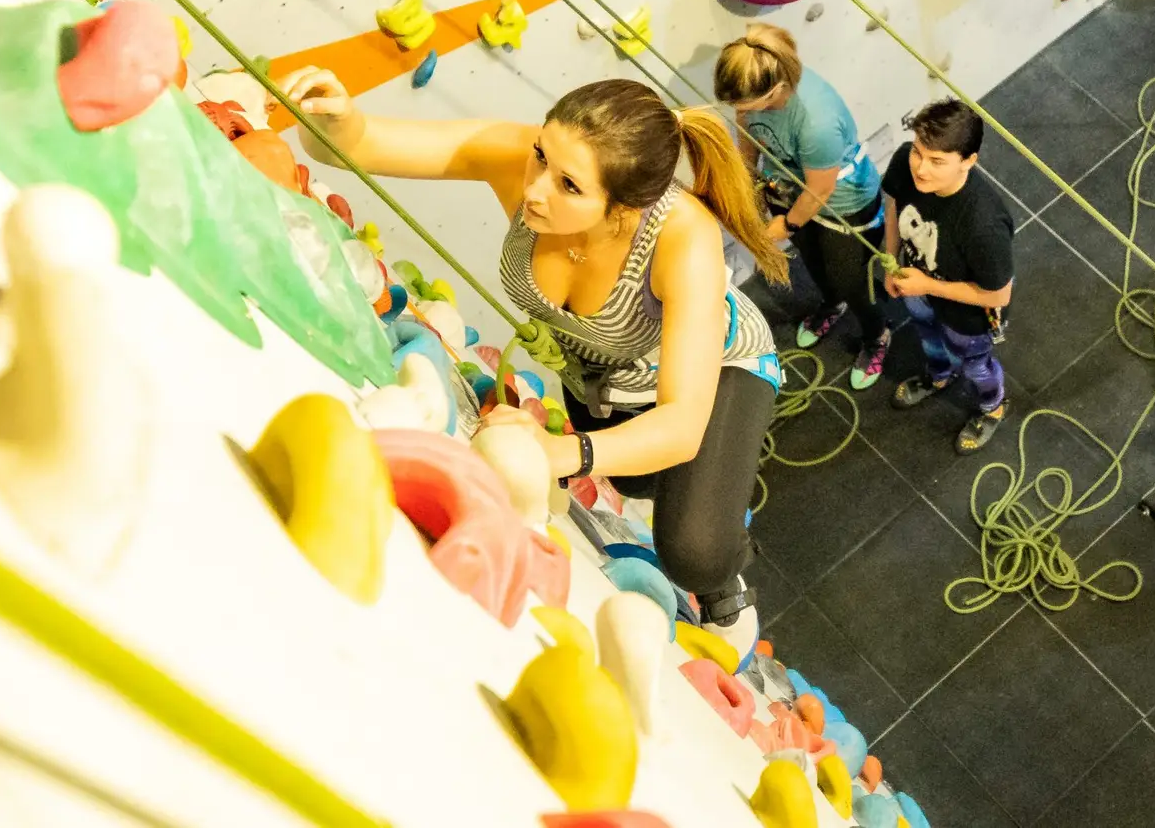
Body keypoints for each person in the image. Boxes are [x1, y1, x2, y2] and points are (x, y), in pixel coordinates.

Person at [277, 67, 786, 657]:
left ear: (624, 207)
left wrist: (558, 454)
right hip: (604, 373)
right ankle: (698, 486)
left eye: (569, 186)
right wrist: (338, 118)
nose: (537, 188)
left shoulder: (681, 237)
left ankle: (726, 564)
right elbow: (352, 146)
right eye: (541, 155)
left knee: (694, 549)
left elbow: (681, 422)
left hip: (720, 370)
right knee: (628, 473)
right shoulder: (528, 164)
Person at [714, 25, 892, 389]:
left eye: (744, 105)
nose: (739, 111)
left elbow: (821, 189)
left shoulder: (816, 121)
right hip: (793, 190)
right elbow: (748, 141)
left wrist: (787, 227)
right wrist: (744, 186)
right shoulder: (753, 89)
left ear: (775, 91)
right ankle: (832, 303)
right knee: (814, 260)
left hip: (843, 203)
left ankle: (877, 335)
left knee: (850, 278)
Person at [882, 100, 1017, 454]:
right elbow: (894, 207)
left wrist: (926, 284)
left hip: (966, 314)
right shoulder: (904, 163)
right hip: (916, 284)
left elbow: (998, 296)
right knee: (928, 338)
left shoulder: (983, 224)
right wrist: (891, 261)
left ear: (968, 161)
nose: (921, 169)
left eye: (938, 161)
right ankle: (939, 376)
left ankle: (993, 404)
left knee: (974, 365)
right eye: (918, 152)